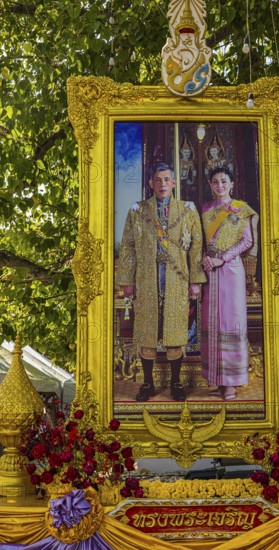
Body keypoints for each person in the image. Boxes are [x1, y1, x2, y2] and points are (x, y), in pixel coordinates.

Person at [117, 163, 206, 402]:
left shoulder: (187, 210)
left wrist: (195, 280)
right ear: (151, 183)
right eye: (158, 180)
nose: (163, 184)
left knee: (175, 333)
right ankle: (147, 384)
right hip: (147, 279)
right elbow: (127, 246)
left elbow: (196, 246)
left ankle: (176, 383)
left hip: (177, 279)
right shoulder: (137, 211)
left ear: (174, 183)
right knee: (147, 333)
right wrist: (127, 279)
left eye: (167, 179)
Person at [201, 167, 258, 400]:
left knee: (231, 323)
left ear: (232, 184)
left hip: (231, 269)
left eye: (224, 181)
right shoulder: (205, 210)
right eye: (215, 182)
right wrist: (205, 258)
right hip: (210, 272)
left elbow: (247, 241)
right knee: (212, 323)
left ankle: (232, 384)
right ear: (211, 185)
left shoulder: (242, 209)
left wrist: (222, 258)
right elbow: (200, 241)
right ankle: (217, 379)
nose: (220, 185)